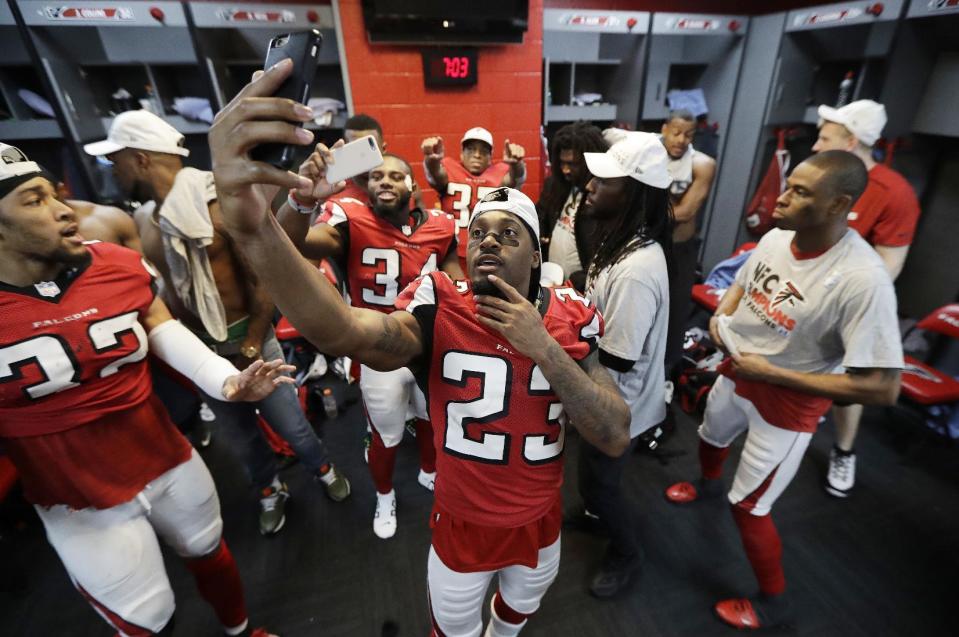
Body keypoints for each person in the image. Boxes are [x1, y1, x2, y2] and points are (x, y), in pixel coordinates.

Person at [207, 59, 631, 637]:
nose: (488, 244)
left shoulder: (570, 315)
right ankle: (388, 494)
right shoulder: (440, 302)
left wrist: (543, 346)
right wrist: (256, 231)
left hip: (538, 520)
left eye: (509, 235)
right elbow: (345, 332)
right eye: (479, 233)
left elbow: (613, 435)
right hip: (460, 520)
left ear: (536, 256)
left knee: (512, 623)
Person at [0, 143, 286, 637]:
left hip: (164, 456)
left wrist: (226, 380)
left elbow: (159, 327)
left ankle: (241, 632)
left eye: (54, 195)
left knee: (210, 550)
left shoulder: (112, 262)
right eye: (34, 200)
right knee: (148, 618)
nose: (63, 210)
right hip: (78, 498)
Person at [663, 151, 902, 629]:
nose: (782, 198)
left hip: (787, 405)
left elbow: (883, 388)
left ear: (839, 205)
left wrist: (777, 375)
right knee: (711, 435)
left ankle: (774, 602)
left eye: (800, 192)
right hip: (739, 371)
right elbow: (743, 284)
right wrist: (722, 313)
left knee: (750, 507)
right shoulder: (775, 237)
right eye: (788, 186)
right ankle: (709, 485)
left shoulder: (863, 279)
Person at [83, 110, 350, 536]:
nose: (111, 169)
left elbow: (266, 277)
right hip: (205, 351)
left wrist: (255, 341)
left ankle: (322, 467)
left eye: (116, 159)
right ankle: (270, 490)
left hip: (253, 340)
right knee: (243, 441)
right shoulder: (145, 223)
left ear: (141, 158)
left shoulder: (221, 206)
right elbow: (166, 295)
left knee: (293, 428)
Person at [277, 149, 461, 539]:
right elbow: (293, 242)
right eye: (377, 176)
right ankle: (384, 494)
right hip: (379, 352)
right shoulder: (349, 218)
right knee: (386, 434)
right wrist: (302, 199)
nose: (385, 181)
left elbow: (454, 282)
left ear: (412, 185)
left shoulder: (442, 225)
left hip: (428, 348)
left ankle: (430, 471)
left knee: (432, 419)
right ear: (367, 184)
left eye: (396, 175)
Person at [559, 132, 673, 598]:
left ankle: (627, 552)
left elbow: (617, 358)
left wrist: (555, 340)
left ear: (633, 193)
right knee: (591, 481)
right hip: (606, 396)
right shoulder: (619, 243)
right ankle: (592, 513)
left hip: (619, 402)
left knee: (601, 483)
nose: (588, 185)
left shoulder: (638, 270)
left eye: (603, 181)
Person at [812, 99, 921, 497]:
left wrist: (834, 294)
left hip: (850, 304)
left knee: (847, 384)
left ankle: (844, 451)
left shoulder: (894, 193)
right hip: (807, 292)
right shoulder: (821, 177)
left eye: (824, 138)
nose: (815, 146)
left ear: (851, 140)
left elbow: (888, 265)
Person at [659, 109, 717, 376]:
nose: (682, 140)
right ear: (664, 129)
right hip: (650, 245)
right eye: (676, 132)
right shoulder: (650, 153)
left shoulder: (702, 164)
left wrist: (637, 212)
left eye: (689, 135)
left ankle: (667, 376)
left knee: (674, 312)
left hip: (679, 251)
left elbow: (685, 212)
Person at [421, 127, 527, 271]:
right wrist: (431, 160)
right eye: (471, 149)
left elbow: (516, 179)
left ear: (490, 157)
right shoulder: (450, 169)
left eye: (483, 151)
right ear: (462, 153)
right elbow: (435, 175)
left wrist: (516, 164)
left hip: (489, 252)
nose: (477, 155)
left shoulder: (500, 173)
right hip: (451, 254)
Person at [535, 121, 607, 291]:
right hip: (551, 281)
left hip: (583, 291)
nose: (566, 170)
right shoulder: (556, 185)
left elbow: (604, 259)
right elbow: (539, 214)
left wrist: (577, 283)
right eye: (562, 163)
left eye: (573, 164)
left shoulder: (603, 198)